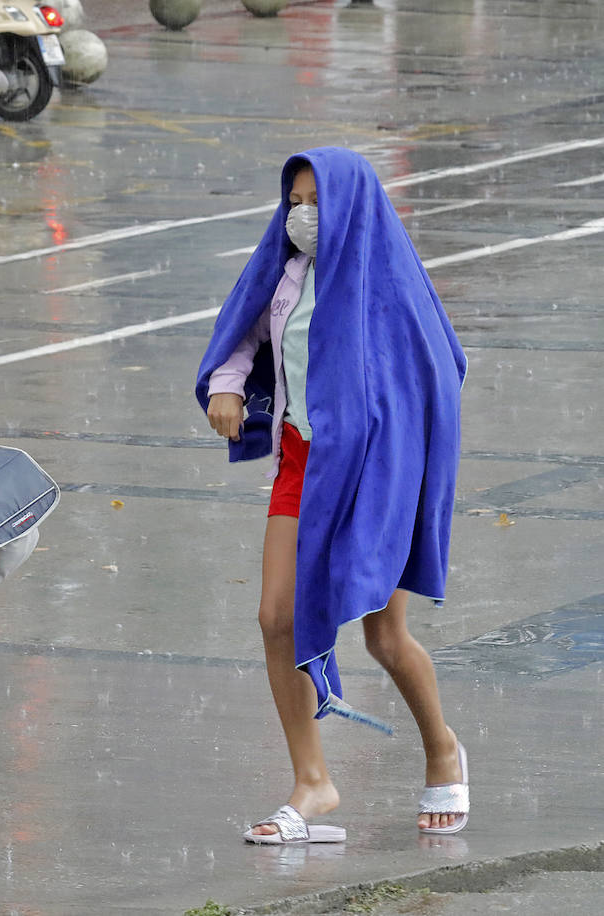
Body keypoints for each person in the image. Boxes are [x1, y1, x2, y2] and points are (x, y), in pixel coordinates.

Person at [195, 148, 470, 843]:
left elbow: (438, 378)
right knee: (275, 618)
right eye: (294, 202)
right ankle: (313, 784)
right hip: (300, 464)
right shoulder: (288, 275)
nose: (304, 217)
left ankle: (441, 747)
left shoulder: (390, 287)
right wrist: (227, 385)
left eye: (317, 202)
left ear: (353, 207)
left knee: (383, 633)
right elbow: (246, 336)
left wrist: (398, 463)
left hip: (379, 475)